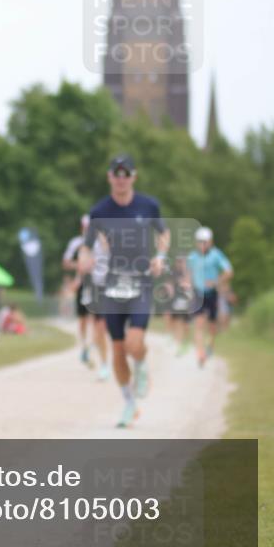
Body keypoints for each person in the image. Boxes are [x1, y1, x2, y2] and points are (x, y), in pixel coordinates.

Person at [78, 155, 170, 428]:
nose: (121, 178)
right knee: (118, 349)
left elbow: (163, 235)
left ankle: (141, 365)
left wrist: (161, 257)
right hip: (112, 284)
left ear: (134, 176)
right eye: (116, 174)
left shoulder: (149, 205)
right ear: (109, 177)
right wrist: (84, 257)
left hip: (141, 281)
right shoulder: (99, 211)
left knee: (134, 343)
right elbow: (87, 244)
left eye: (126, 173)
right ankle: (129, 404)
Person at [64, 215, 110, 379]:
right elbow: (70, 263)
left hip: (101, 286)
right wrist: (80, 270)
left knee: (100, 327)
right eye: (85, 227)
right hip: (86, 286)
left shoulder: (103, 242)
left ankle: (104, 363)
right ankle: (85, 346)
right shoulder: (77, 244)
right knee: (83, 320)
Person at [187, 226, 233, 367]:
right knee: (199, 324)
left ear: (210, 241)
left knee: (212, 326)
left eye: (205, 241)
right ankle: (200, 353)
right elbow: (188, 275)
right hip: (197, 293)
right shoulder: (192, 257)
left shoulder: (216, 255)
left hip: (212, 293)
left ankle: (210, 346)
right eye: (200, 241)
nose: (202, 244)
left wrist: (217, 281)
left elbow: (229, 271)